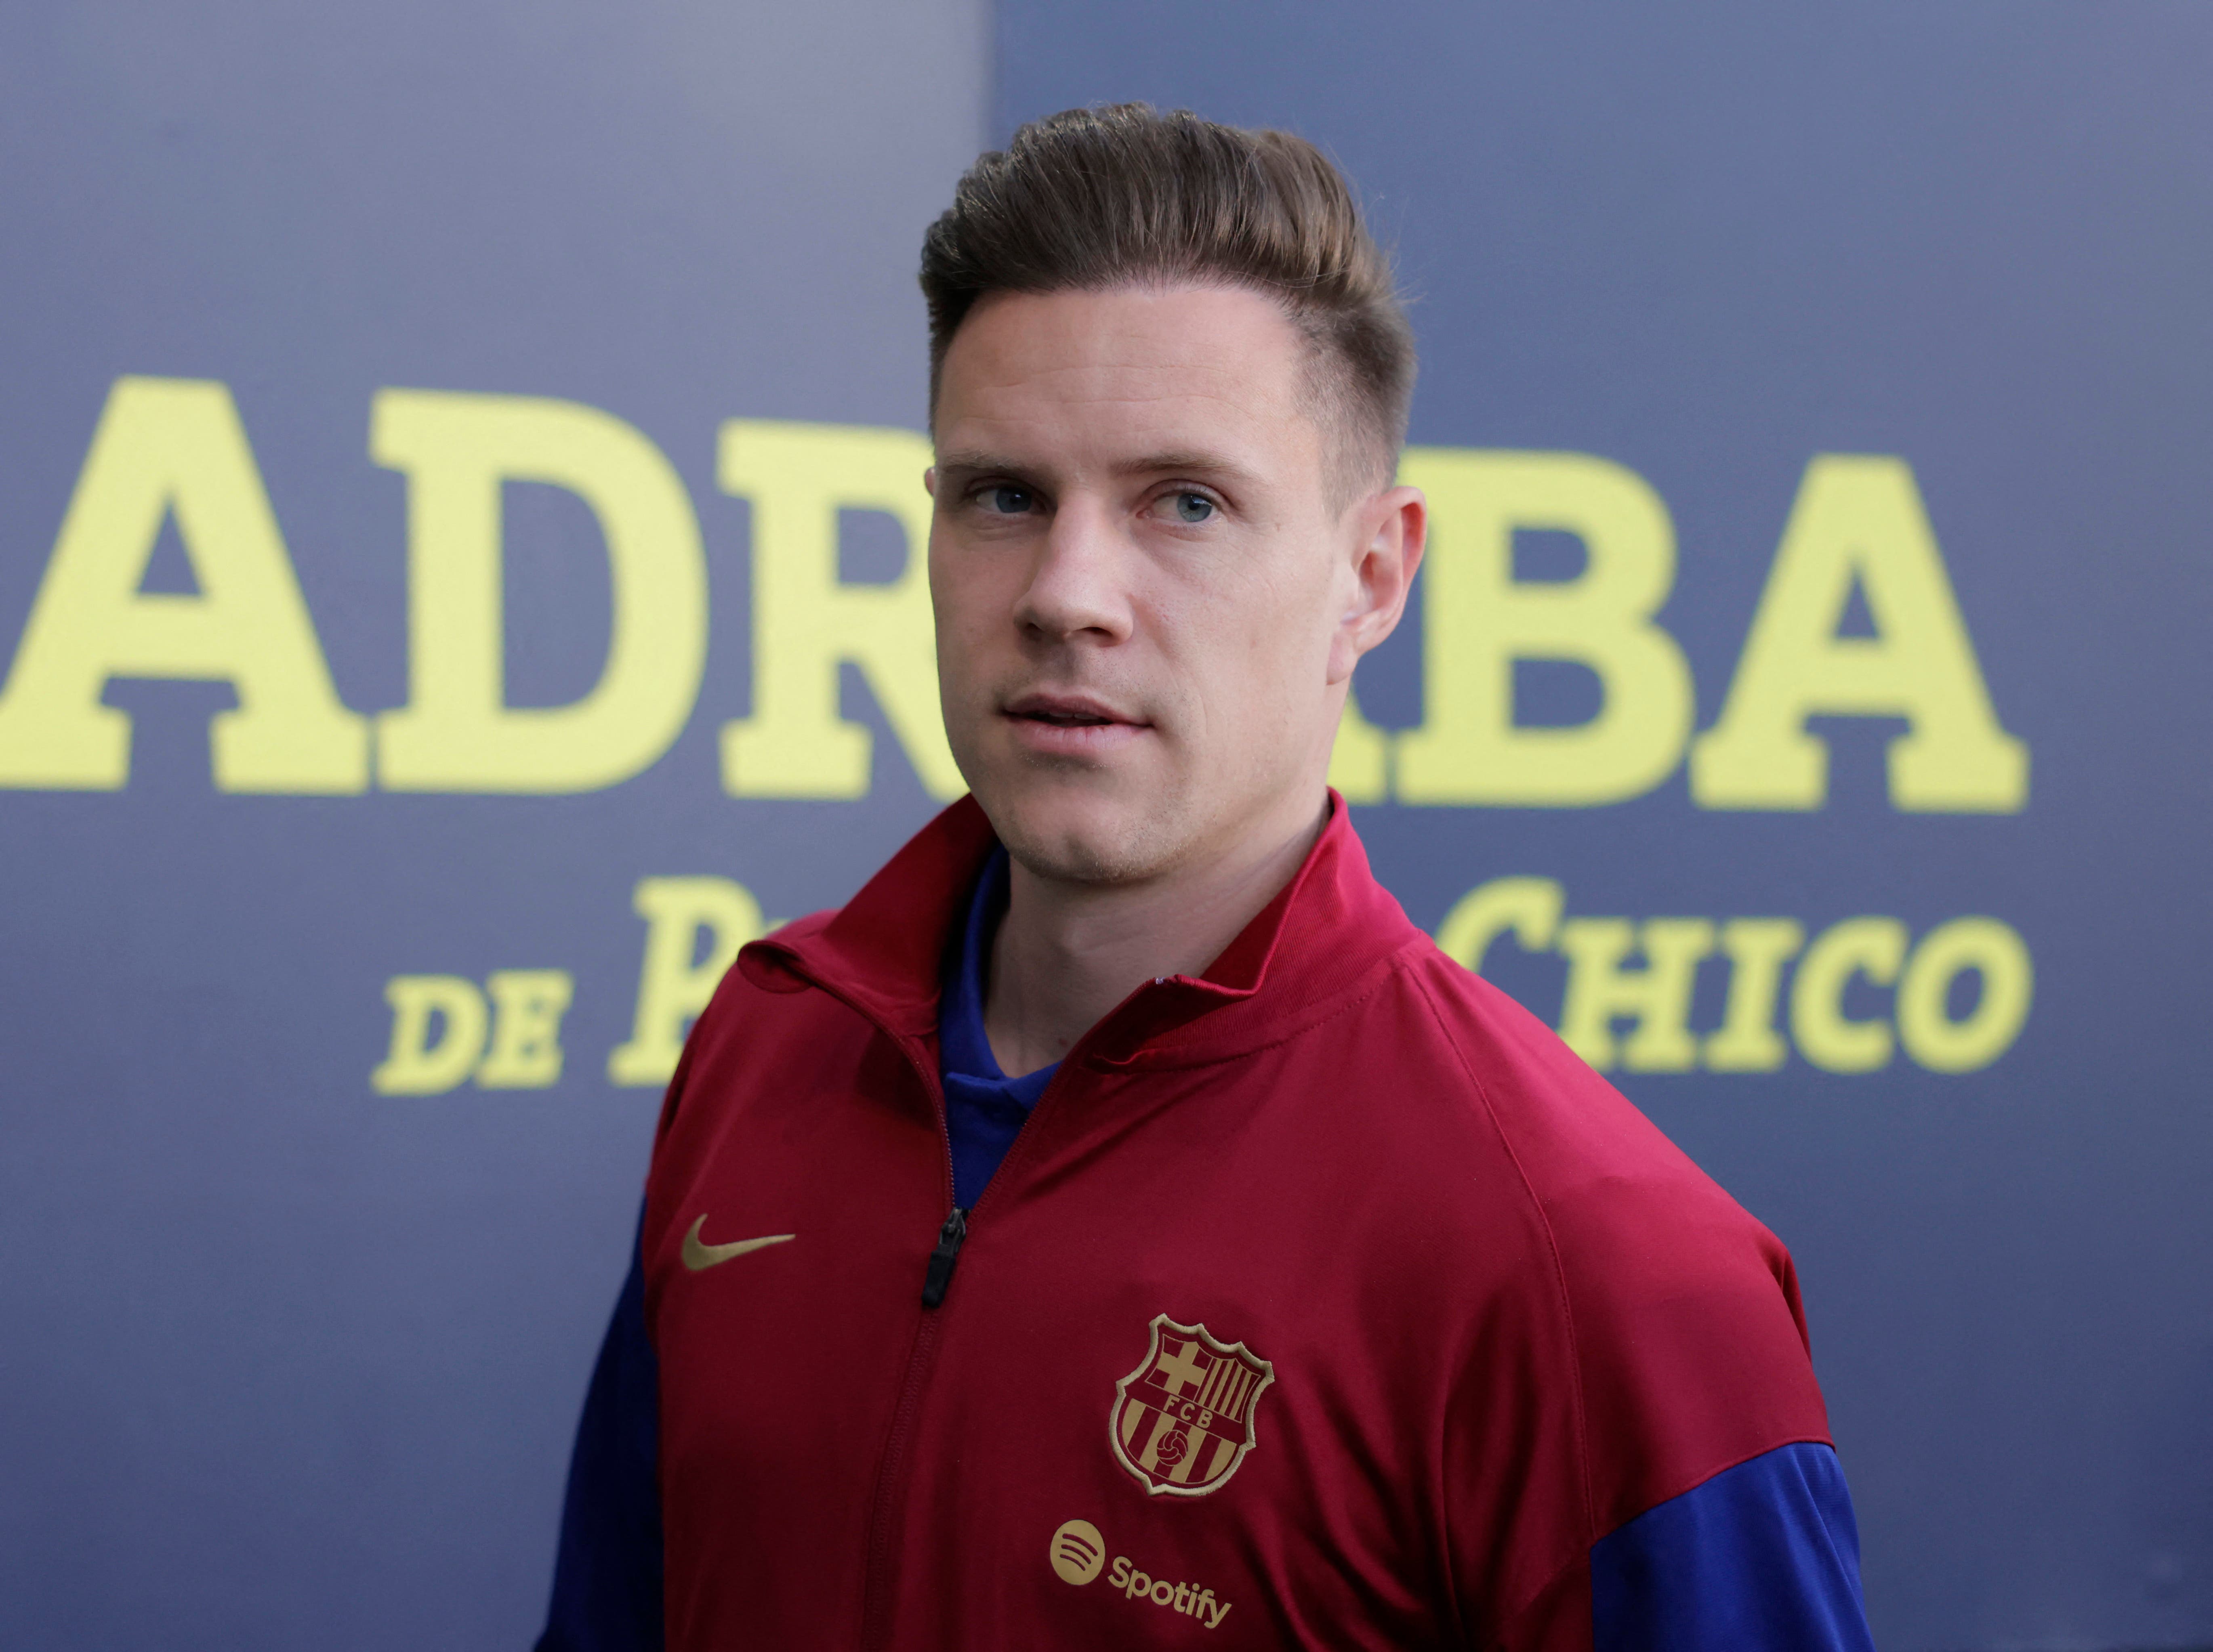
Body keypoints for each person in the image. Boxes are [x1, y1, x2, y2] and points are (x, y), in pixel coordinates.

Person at [538, 104, 1876, 1651]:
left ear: (1372, 577)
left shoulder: (1607, 1276)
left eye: (1186, 502)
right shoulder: (770, 1044)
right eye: (1003, 495)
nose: (1067, 595)